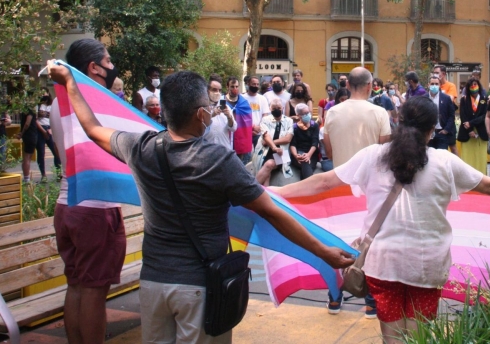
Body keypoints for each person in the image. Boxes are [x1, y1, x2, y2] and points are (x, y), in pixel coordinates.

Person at [46, 64, 354, 344]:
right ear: (199, 114)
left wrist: (70, 82)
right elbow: (271, 212)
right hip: (200, 287)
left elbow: (92, 128)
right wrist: (323, 252)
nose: (211, 111)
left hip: (153, 283)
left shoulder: (141, 147)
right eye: (208, 106)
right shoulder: (217, 160)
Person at [276, 96, 490, 344]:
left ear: (398, 121)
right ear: (432, 130)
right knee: (419, 335)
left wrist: (275, 193)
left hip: (382, 263)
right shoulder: (444, 162)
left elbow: (323, 182)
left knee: (391, 335)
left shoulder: (373, 157)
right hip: (426, 265)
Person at [49, 38, 124, 344]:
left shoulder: (58, 100)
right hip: (95, 208)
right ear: (93, 67)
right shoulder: (94, 100)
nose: (111, 67)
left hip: (67, 203)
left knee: (77, 284)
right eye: (107, 62)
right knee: (94, 290)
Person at [323, 66, 392, 317]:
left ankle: (334, 297)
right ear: (370, 85)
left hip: (340, 183)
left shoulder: (332, 113)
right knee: (369, 240)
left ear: (348, 84)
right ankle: (371, 300)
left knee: (335, 240)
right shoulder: (379, 112)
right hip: (371, 186)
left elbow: (328, 151)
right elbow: (385, 150)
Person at [252, 98, 294, 186]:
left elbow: (287, 139)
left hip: (282, 153)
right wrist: (274, 147)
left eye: (278, 108)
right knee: (266, 174)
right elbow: (266, 135)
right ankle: (264, 195)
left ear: (282, 108)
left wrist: (271, 143)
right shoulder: (265, 120)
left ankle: (252, 189)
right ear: (270, 109)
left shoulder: (289, 121)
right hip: (263, 151)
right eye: (274, 108)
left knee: (269, 164)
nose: (276, 110)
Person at [457, 78, 488, 174]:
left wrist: (471, 123)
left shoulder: (484, 99)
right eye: (471, 85)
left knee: (480, 157)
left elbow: (485, 115)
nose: (473, 86)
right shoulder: (464, 99)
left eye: (475, 84)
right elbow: (463, 115)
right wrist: (470, 129)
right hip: (467, 133)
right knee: (468, 157)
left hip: (481, 132)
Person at [204, 75, 237, 151]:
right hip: (207, 151)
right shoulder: (202, 108)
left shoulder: (226, 107)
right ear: (207, 90)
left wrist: (229, 117)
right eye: (214, 90)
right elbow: (198, 127)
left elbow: (233, 128)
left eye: (219, 90)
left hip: (224, 150)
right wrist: (211, 115)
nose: (217, 93)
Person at [225, 76, 253, 161]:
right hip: (226, 137)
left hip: (240, 139)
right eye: (232, 87)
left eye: (237, 86)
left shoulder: (244, 103)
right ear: (227, 87)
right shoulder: (222, 101)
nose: (235, 89)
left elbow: (248, 122)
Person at [36, 88, 61, 183]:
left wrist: (51, 129)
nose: (43, 95)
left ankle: (59, 172)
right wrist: (43, 131)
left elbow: (54, 117)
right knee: (41, 153)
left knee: (56, 152)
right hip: (40, 129)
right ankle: (43, 175)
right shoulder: (38, 105)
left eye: (44, 93)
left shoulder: (52, 105)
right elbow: (36, 119)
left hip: (50, 128)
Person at [290, 103, 320, 179]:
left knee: (305, 162)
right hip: (298, 154)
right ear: (298, 115)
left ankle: (306, 186)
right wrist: (296, 155)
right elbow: (293, 144)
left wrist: (308, 155)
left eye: (308, 112)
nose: (308, 115)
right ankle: (309, 185)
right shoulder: (294, 127)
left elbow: (315, 142)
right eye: (305, 113)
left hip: (312, 154)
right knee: (304, 160)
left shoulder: (315, 126)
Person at [426, 75, 456, 150]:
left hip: (441, 133)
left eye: (436, 84)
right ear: (428, 85)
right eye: (432, 84)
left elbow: (451, 115)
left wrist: (446, 130)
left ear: (440, 85)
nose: (434, 86)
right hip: (428, 134)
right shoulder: (424, 98)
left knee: (442, 158)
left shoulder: (446, 98)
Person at [242, 75, 271, 150]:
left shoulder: (262, 98)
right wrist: (252, 127)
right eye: (253, 84)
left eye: (257, 84)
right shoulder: (242, 98)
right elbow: (241, 116)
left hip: (259, 133)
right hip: (245, 132)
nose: (256, 86)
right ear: (248, 84)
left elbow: (265, 115)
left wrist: (259, 127)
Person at [17, 106, 38, 184]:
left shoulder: (25, 110)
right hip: (30, 135)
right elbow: (27, 123)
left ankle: (26, 177)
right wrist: (22, 133)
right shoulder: (30, 110)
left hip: (29, 135)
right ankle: (27, 178)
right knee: (27, 157)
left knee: (27, 157)